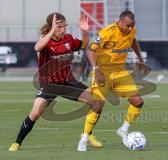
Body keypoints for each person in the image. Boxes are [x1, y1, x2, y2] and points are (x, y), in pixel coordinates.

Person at [9, 12, 102, 151]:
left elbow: (83, 44)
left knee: (97, 102)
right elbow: (37, 47)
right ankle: (17, 142)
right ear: (51, 26)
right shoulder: (45, 41)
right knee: (35, 113)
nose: (63, 30)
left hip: (67, 82)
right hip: (49, 85)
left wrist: (85, 32)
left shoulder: (69, 39)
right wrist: (51, 30)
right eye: (59, 27)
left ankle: (87, 134)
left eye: (64, 26)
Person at [77, 10, 148, 151]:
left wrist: (140, 58)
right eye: (127, 25)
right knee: (97, 106)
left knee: (138, 101)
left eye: (132, 25)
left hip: (120, 72)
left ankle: (123, 130)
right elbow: (91, 50)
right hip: (102, 72)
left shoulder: (132, 31)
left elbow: (133, 40)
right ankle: (84, 139)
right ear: (119, 22)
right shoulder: (107, 32)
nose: (130, 28)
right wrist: (96, 68)